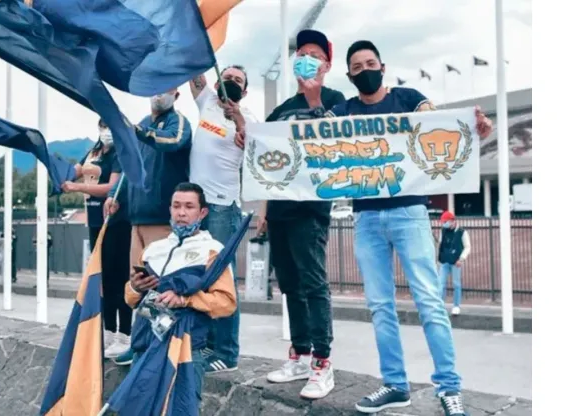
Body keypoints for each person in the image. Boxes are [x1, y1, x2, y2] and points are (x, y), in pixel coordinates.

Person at [324, 40, 493, 416]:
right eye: (357, 65)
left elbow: (437, 123)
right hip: (366, 217)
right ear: (349, 75)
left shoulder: (409, 99)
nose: (364, 69)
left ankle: (449, 387)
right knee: (380, 306)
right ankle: (395, 384)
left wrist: (472, 126)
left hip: (409, 212)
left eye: (370, 62)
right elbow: (312, 141)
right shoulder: (343, 110)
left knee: (430, 302)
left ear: (382, 67)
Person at [248, 29, 345, 400]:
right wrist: (264, 209)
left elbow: (339, 141)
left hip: (312, 208)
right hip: (280, 210)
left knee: (313, 282)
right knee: (288, 283)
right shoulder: (283, 107)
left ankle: (323, 360)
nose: (305, 57)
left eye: (313, 53)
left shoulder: (337, 100)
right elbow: (262, 153)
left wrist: (314, 95)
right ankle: (300, 354)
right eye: (301, 52)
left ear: (326, 63)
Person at [124, 182, 237, 407]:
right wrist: (136, 287)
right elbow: (130, 299)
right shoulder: (153, 250)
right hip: (145, 347)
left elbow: (227, 303)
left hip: (184, 351)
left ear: (202, 212)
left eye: (189, 207)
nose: (181, 213)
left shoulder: (213, 250)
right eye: (176, 206)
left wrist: (186, 299)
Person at [104, 88, 193, 366]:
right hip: (137, 219)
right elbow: (131, 164)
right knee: (138, 285)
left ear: (176, 94)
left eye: (166, 88)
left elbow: (173, 142)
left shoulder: (178, 123)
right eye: (155, 88)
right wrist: (114, 195)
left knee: (159, 285)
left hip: (160, 218)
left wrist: (140, 133)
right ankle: (138, 342)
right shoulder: (141, 124)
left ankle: (160, 344)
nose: (159, 94)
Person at [188, 65, 257, 373]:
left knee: (222, 278)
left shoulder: (250, 118)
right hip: (197, 207)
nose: (230, 81)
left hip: (222, 208)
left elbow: (253, 145)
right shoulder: (207, 103)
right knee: (199, 277)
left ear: (244, 91)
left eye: (237, 80)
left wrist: (237, 118)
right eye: (226, 76)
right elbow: (194, 77)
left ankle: (226, 352)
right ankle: (205, 344)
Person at [62, 119, 133, 359]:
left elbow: (111, 186)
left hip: (116, 220)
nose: (107, 130)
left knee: (118, 277)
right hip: (94, 220)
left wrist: (77, 188)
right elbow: (77, 170)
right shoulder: (94, 150)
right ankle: (108, 330)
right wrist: (60, 173)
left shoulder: (119, 153)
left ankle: (124, 333)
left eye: (110, 125)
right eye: (103, 125)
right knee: (101, 279)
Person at [437, 211, 471, 316]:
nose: (444, 224)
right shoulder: (443, 231)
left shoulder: (462, 232)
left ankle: (456, 306)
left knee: (456, 284)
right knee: (441, 284)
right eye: (443, 222)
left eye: (445, 222)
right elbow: (440, 243)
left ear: (452, 221)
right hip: (444, 261)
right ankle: (440, 305)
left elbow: (467, 247)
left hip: (456, 262)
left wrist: (461, 259)